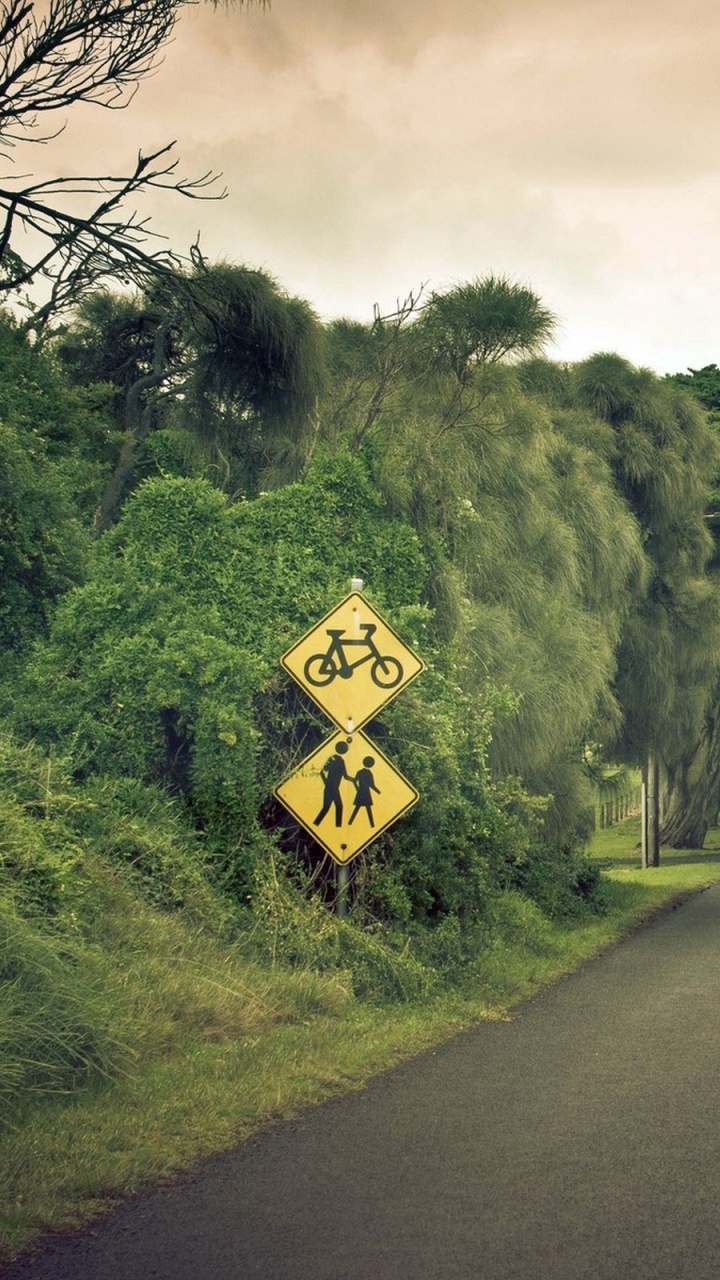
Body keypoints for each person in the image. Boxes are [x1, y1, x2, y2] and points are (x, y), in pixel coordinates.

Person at [314, 741, 350, 827]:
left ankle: (317, 824)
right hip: (331, 788)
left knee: (332, 807)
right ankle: (336, 827)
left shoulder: (340, 760)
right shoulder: (334, 759)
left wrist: (355, 780)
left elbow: (345, 776)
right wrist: (326, 783)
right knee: (335, 807)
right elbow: (322, 772)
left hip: (333, 788)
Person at [348, 756, 381, 827]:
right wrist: (378, 792)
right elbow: (372, 785)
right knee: (366, 808)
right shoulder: (369, 773)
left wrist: (357, 789)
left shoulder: (360, 772)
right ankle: (371, 824)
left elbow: (354, 781)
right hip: (365, 792)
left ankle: (350, 822)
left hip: (361, 792)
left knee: (361, 808)